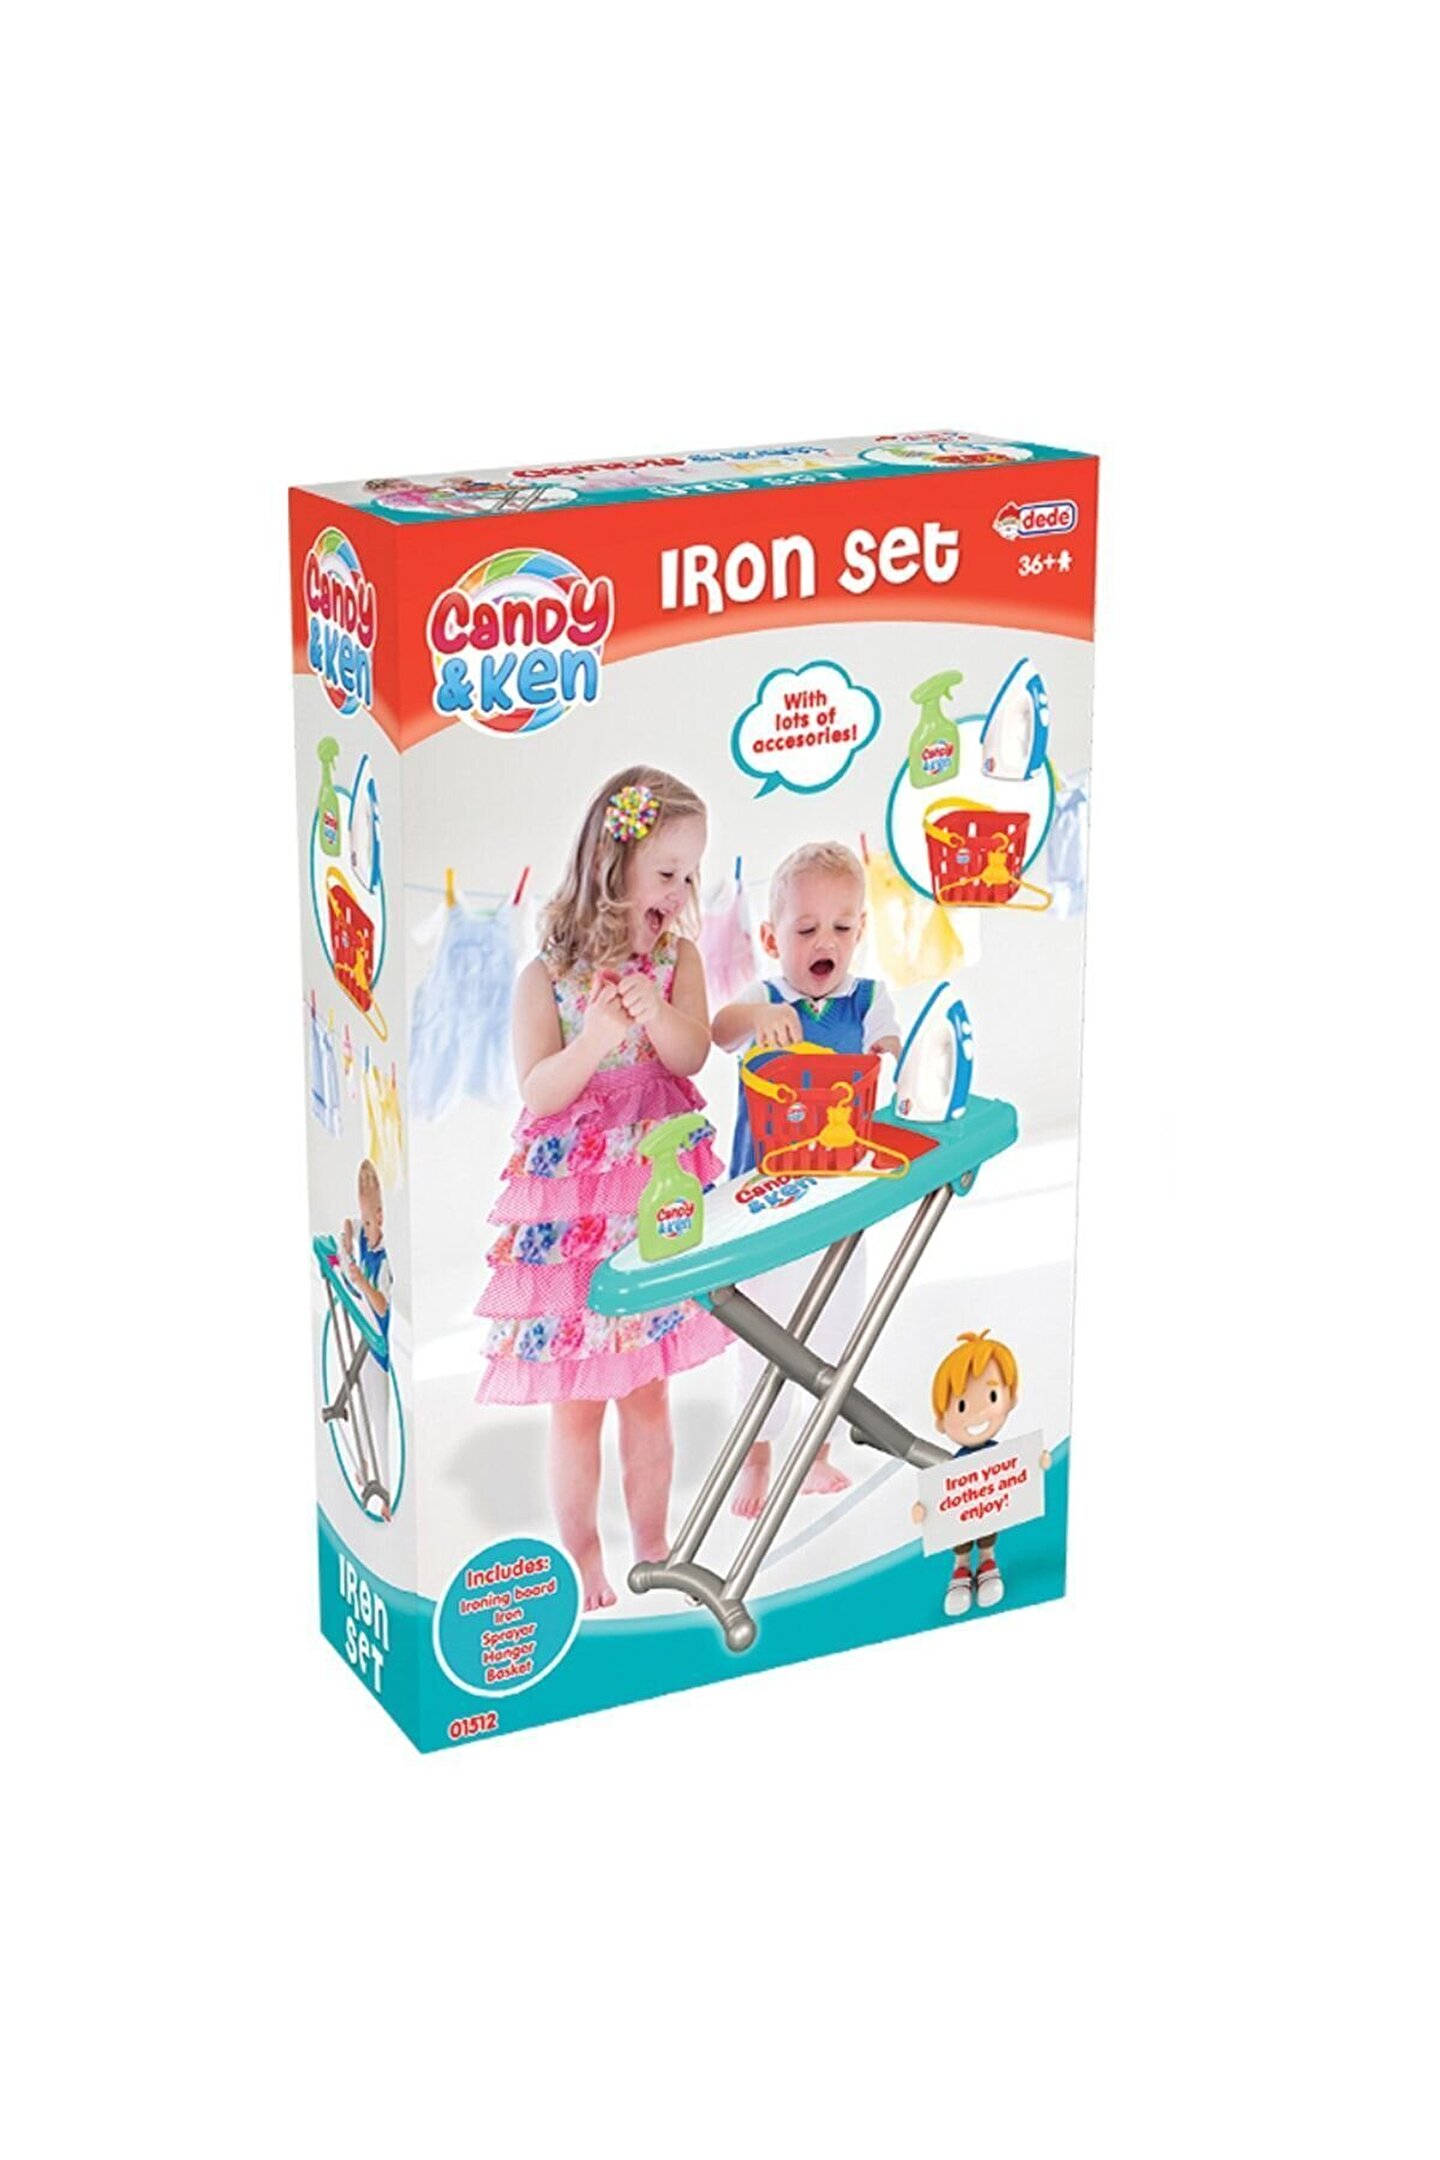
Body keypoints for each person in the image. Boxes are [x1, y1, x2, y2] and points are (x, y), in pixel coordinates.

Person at [475, 767, 729, 1610]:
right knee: (579, 1402)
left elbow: (692, 1055)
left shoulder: (678, 959)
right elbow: (539, 1091)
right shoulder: (545, 976)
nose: (681, 892)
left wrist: (658, 1014)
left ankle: (654, 1543)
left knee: (649, 1392)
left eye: (690, 874)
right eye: (667, 872)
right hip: (576, 1212)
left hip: (652, 1196)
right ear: (611, 866)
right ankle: (582, 1555)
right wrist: (594, 1038)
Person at [711, 841, 901, 1517]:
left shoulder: (868, 999)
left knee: (836, 1330)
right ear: (771, 939)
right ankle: (756, 1457)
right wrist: (759, 1018)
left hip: (838, 1201)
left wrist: (891, 1057)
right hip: (764, 1201)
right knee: (763, 1338)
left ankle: (817, 1454)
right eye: (807, 929)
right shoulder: (766, 998)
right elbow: (720, 1030)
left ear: (860, 930)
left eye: (842, 927)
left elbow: (891, 1051)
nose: (827, 942)